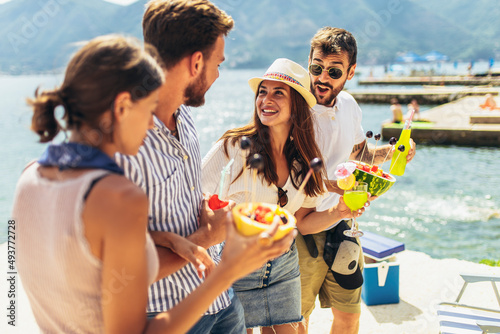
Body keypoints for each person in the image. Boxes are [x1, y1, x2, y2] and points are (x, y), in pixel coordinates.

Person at [12, 34, 295, 334]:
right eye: (148, 111)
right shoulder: (118, 197)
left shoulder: (30, 176)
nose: (150, 125)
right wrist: (227, 272)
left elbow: (84, 257)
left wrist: (170, 239)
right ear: (122, 107)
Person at [202, 58, 369, 334]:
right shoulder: (233, 146)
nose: (266, 99)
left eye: (279, 92)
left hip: (283, 265)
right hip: (236, 265)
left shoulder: (304, 161)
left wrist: (339, 212)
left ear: (297, 107)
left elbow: (302, 221)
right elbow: (194, 196)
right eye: (263, 91)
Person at [113, 1, 248, 333]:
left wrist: (207, 207)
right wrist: (209, 234)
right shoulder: (121, 143)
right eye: (218, 63)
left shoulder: (183, 113)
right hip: (165, 315)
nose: (217, 74)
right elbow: (119, 267)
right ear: (196, 61)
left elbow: (177, 195)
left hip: (220, 298)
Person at [297, 27, 417, 334]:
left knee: (349, 316)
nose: (322, 77)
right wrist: (330, 186)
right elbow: (286, 175)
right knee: (298, 320)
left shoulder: (349, 105)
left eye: (334, 71)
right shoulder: (296, 109)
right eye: (316, 67)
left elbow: (359, 154)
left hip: (343, 225)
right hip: (302, 229)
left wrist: (391, 152)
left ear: (350, 72)